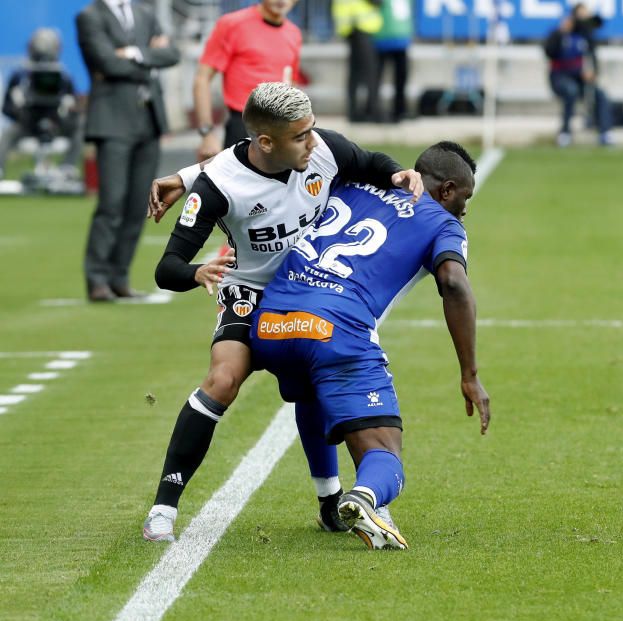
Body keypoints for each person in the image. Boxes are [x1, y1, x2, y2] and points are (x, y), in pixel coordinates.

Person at [142, 82, 423, 543]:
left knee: (322, 374)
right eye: (301, 137)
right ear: (265, 142)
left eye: (312, 131)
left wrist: (398, 174)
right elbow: (166, 268)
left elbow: (370, 163)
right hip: (251, 292)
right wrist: (197, 272)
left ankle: (337, 501)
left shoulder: (323, 149)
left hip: (311, 291)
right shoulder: (217, 185)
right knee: (223, 379)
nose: (313, 143)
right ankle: (163, 509)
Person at [250, 141, 490, 550]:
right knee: (386, 455)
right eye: (465, 198)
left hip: (270, 321)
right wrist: (469, 374)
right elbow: (453, 283)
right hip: (335, 329)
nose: (465, 210)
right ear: (447, 189)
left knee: (309, 390)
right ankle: (365, 497)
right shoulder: (443, 223)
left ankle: (329, 503)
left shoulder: (350, 183)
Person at [76, 0, 180, 302]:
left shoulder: (145, 13)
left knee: (139, 204)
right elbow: (106, 62)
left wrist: (133, 54)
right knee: (111, 204)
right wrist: (149, 57)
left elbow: (171, 54)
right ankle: (97, 280)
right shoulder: (89, 16)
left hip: (148, 119)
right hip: (112, 122)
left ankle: (119, 277)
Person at [194, 0, 303, 162]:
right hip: (243, 126)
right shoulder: (232, 24)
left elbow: (292, 83)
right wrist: (207, 133)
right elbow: (202, 79)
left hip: (281, 128)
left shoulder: (294, 33)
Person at [0, 28, 83, 181]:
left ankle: (67, 167)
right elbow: (6, 108)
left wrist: (68, 107)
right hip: (27, 122)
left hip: (57, 122)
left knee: (80, 126)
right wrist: (18, 107)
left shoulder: (63, 76)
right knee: (7, 134)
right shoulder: (20, 75)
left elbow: (76, 106)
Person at [543, 3, 612, 148]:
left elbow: (593, 57)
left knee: (600, 95)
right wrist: (561, 32)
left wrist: (593, 73)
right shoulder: (561, 33)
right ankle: (565, 132)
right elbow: (549, 52)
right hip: (560, 77)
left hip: (579, 78)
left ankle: (605, 132)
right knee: (571, 91)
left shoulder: (586, 36)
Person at [334, 0, 384, 122]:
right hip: (361, 28)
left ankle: (354, 112)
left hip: (351, 27)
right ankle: (373, 111)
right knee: (370, 72)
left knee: (355, 73)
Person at [374, 0, 413, 123]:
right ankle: (375, 110)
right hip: (382, 37)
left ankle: (400, 110)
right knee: (376, 79)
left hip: (401, 39)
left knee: (401, 78)